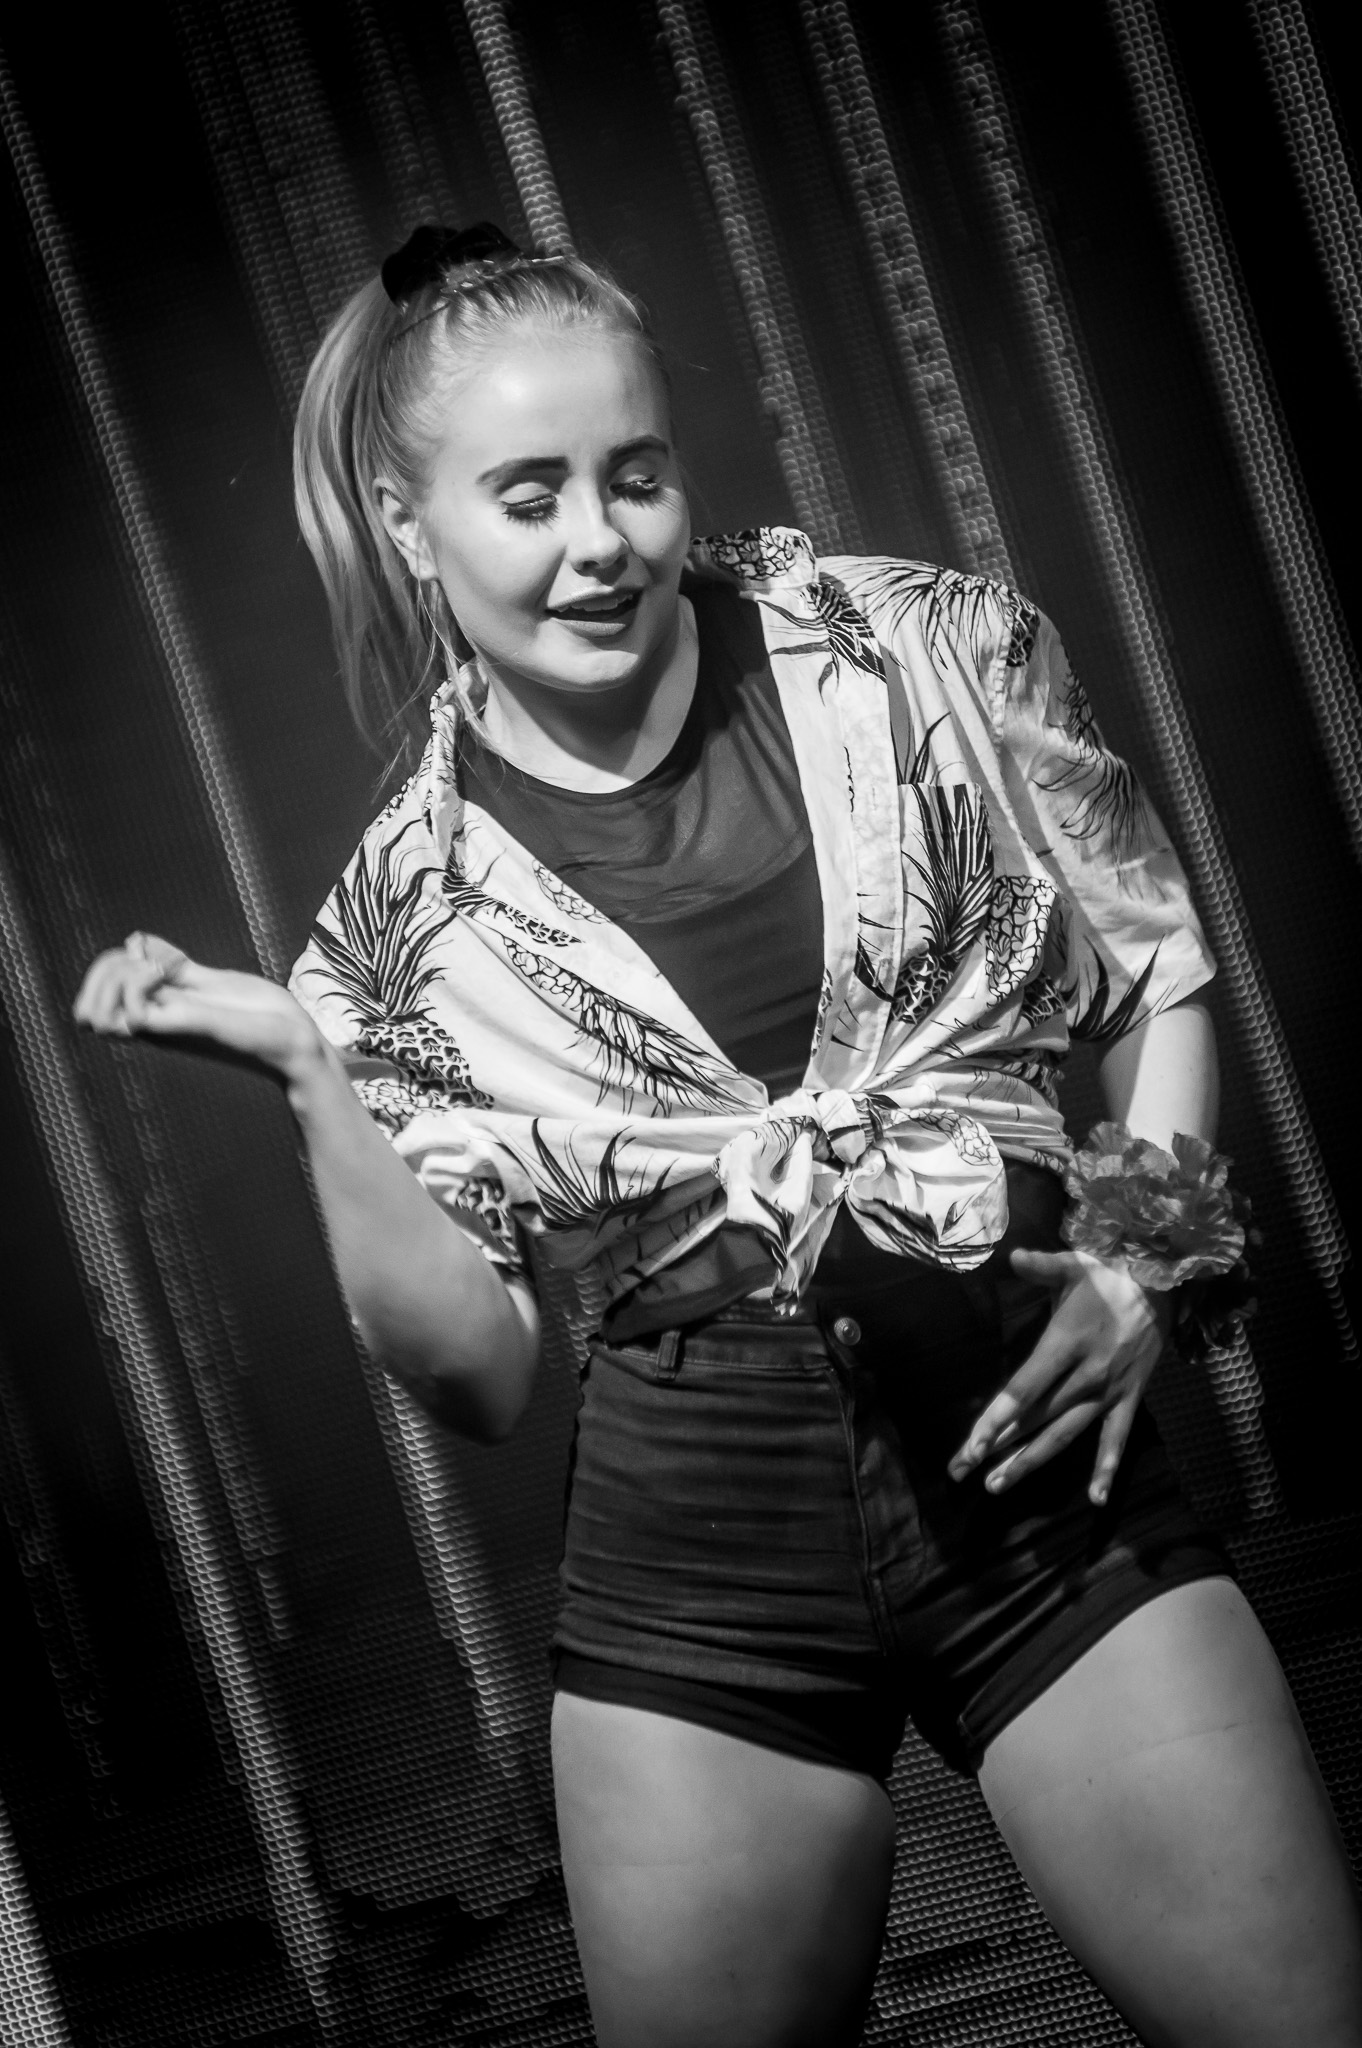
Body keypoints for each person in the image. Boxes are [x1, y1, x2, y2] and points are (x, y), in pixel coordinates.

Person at [75, 223, 1362, 2048]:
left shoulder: (923, 649)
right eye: (528, 497)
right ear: (408, 522)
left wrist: (1143, 1264)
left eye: (634, 475)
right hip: (697, 1599)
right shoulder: (396, 927)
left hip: (1040, 1515)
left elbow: (1146, 968)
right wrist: (310, 1077)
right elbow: (478, 1377)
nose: (597, 541)